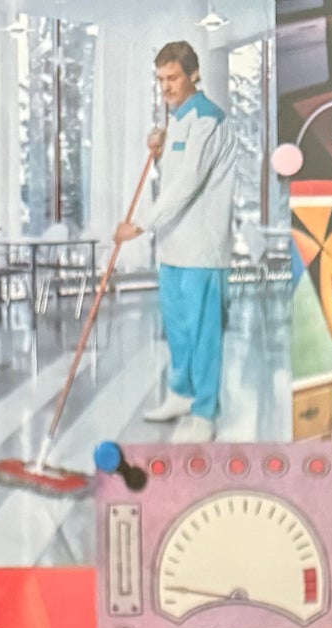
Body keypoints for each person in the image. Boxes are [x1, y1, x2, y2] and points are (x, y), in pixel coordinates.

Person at [115, 41, 237, 439]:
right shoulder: (178, 121)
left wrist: (139, 225)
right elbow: (172, 175)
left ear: (194, 75)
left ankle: (205, 415)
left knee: (204, 334)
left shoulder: (208, 120)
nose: (166, 86)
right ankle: (181, 395)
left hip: (203, 250)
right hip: (173, 248)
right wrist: (160, 151)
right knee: (179, 330)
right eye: (161, 79)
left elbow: (187, 185)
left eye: (173, 78)